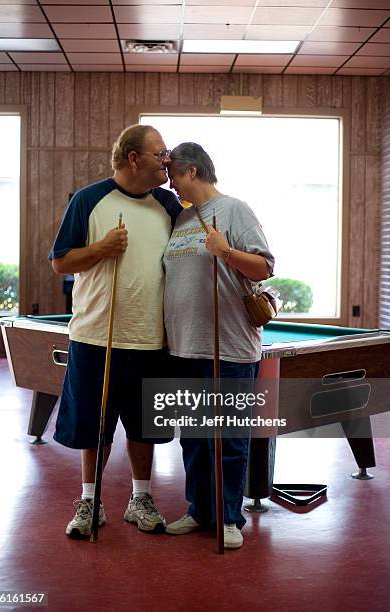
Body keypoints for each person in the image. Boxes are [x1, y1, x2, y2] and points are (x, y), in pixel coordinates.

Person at [49, 124, 181, 538]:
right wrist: (102, 249)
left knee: (146, 427)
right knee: (94, 424)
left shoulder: (169, 205)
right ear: (133, 158)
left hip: (151, 337)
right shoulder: (90, 199)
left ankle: (140, 498)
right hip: (94, 336)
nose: (167, 160)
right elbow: (61, 261)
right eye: (160, 153)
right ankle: (91, 500)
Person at [163, 142, 274, 549]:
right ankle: (200, 511)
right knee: (192, 436)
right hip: (185, 348)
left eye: (173, 175)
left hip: (228, 347)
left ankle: (229, 517)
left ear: (192, 171)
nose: (171, 183)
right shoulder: (182, 217)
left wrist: (225, 251)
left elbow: (265, 266)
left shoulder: (234, 210)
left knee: (228, 437)